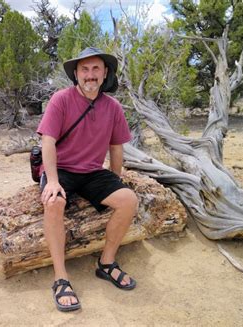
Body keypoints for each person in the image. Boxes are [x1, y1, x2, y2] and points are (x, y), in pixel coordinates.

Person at [37, 47, 138, 312]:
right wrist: (53, 181)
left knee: (128, 200)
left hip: (93, 171)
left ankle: (106, 264)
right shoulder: (61, 100)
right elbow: (47, 141)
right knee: (54, 202)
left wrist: (116, 180)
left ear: (105, 74)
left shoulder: (113, 107)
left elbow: (116, 147)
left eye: (96, 69)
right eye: (85, 69)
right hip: (61, 168)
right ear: (76, 74)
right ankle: (61, 278)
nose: (90, 75)